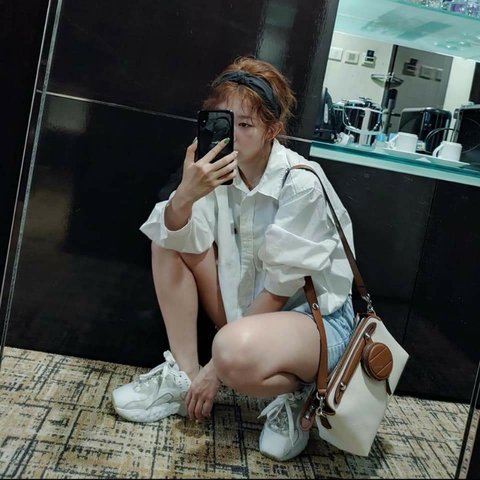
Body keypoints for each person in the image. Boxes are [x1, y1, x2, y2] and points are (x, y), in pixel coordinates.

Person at [111, 56, 356, 461]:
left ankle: (301, 395)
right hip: (247, 314)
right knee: (167, 237)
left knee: (229, 353)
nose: (233, 137)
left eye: (246, 125)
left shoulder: (301, 182)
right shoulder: (216, 172)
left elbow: (279, 291)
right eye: (225, 123)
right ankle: (184, 378)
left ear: (272, 130)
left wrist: (216, 370)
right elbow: (173, 232)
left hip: (315, 324)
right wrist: (186, 194)